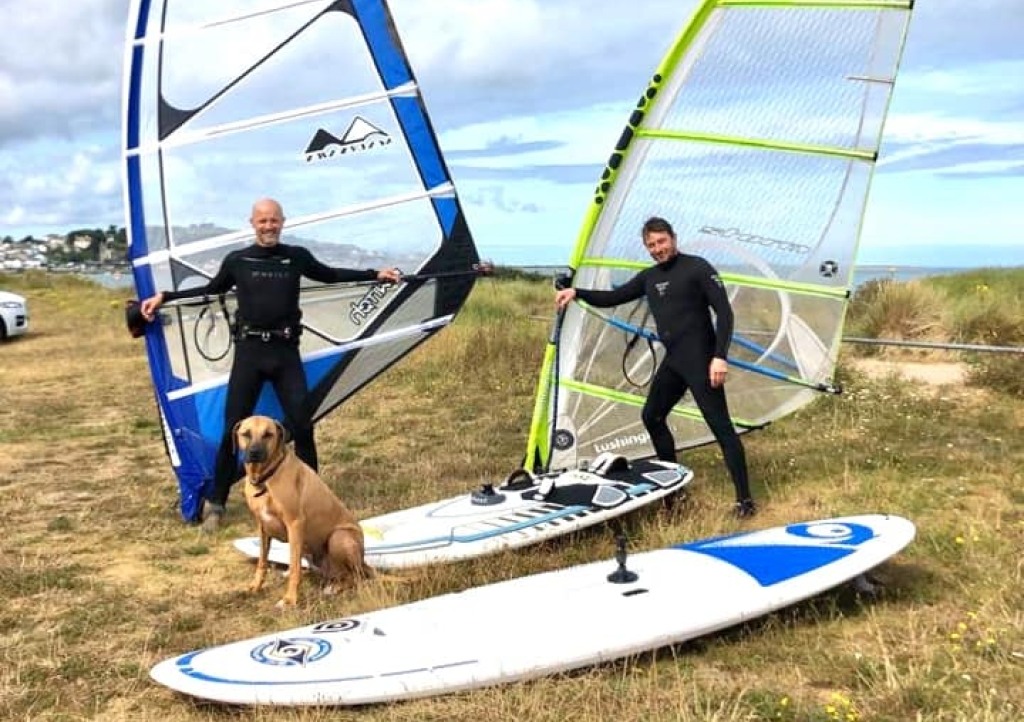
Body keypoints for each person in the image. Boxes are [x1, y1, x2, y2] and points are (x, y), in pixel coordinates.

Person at [140, 198, 401, 531]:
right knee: (232, 429)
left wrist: (375, 274)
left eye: (274, 221)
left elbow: (330, 275)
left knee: (303, 426)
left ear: (282, 222)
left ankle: (312, 495)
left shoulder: (296, 258)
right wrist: (164, 296)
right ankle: (217, 504)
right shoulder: (238, 261)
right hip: (249, 353)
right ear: (252, 223)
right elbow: (209, 290)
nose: (268, 226)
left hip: (284, 353)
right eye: (262, 221)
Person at [554, 216, 756, 518]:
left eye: (662, 241)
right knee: (652, 415)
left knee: (721, 428)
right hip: (675, 361)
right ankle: (674, 493)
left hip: (702, 361)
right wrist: (577, 293)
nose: (658, 248)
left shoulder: (697, 268)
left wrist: (720, 356)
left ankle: (745, 501)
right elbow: (614, 297)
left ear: (673, 238)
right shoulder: (649, 277)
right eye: (651, 245)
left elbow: (724, 313)